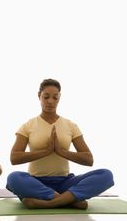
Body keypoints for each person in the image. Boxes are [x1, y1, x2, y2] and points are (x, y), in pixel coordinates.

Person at [6, 78, 114, 209]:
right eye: (46, 97)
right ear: (39, 96)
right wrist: (46, 152)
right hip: (37, 183)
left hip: (65, 182)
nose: (50, 101)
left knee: (106, 175)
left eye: (55, 97)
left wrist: (62, 152)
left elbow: (88, 159)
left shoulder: (70, 125)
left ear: (59, 98)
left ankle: (50, 202)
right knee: (13, 178)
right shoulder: (28, 126)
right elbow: (14, 158)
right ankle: (69, 200)